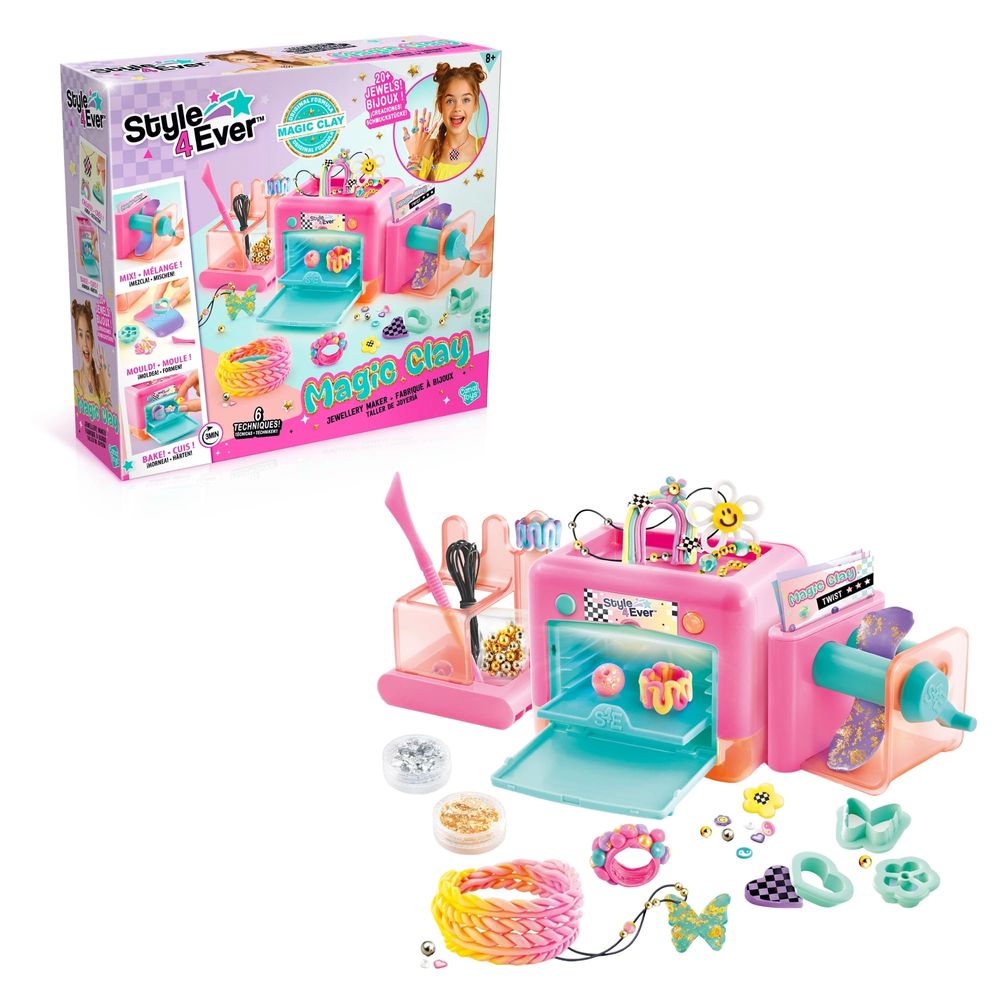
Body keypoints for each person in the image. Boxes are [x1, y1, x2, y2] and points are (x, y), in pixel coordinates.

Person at [403, 63, 487, 181]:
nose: (457, 108)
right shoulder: (429, 148)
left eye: (466, 100)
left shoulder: (483, 146)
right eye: (450, 101)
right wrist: (414, 157)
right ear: (440, 106)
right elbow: (411, 190)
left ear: (475, 105)